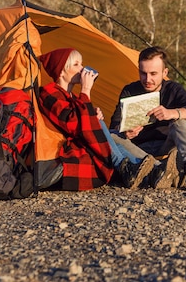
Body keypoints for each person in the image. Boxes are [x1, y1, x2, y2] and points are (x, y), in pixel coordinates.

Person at [37, 48, 155, 191]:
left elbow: (84, 121)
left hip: (83, 141)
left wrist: (92, 114)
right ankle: (125, 167)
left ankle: (147, 169)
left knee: (114, 136)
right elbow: (75, 125)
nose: (82, 69)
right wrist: (86, 91)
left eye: (81, 64)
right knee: (100, 127)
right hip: (68, 149)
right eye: (76, 65)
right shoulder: (49, 93)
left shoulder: (72, 97)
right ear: (61, 71)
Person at [109, 46, 186, 192]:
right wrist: (126, 132)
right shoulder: (129, 91)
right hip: (139, 149)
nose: (147, 79)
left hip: (167, 147)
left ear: (165, 72)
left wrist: (173, 113)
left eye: (153, 74)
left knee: (180, 120)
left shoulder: (173, 89)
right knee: (112, 135)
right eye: (143, 73)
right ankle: (161, 170)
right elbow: (114, 125)